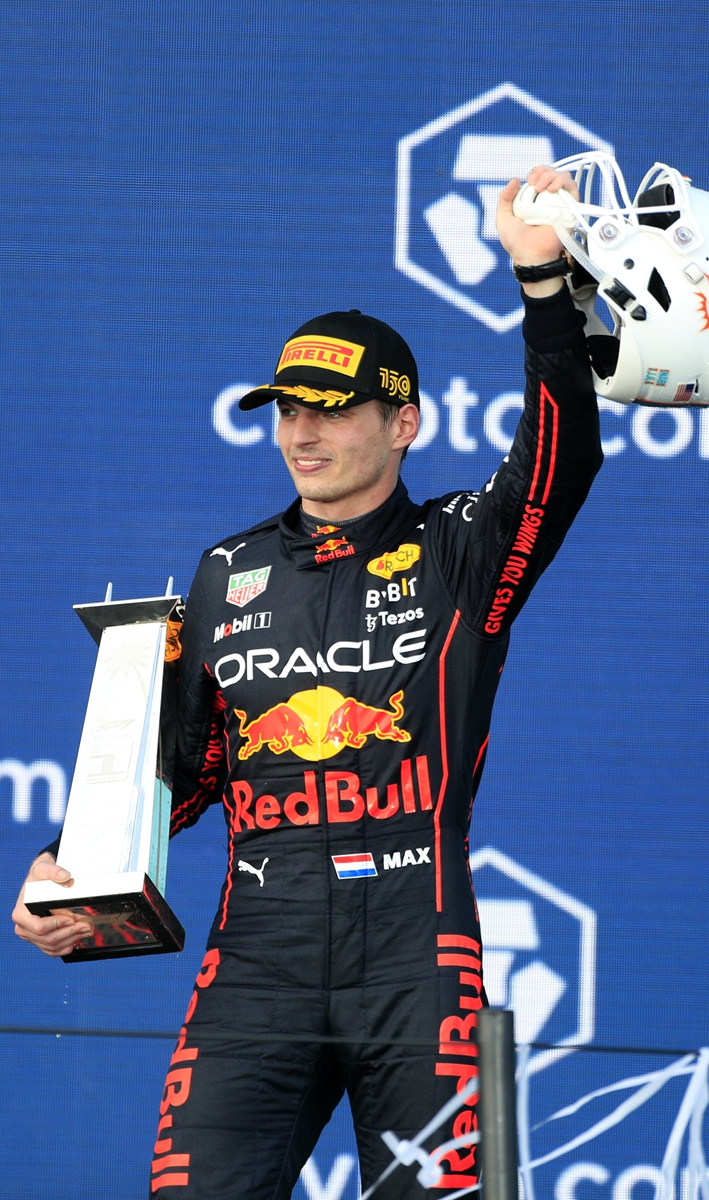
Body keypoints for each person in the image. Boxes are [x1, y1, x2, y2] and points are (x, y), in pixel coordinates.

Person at [13, 166, 603, 1199]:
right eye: (286, 408)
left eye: (331, 410)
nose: (301, 432)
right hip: (262, 950)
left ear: (402, 421)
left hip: (416, 950)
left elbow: (560, 458)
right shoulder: (225, 570)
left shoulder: (459, 549)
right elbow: (182, 769)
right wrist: (74, 868)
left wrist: (541, 285)